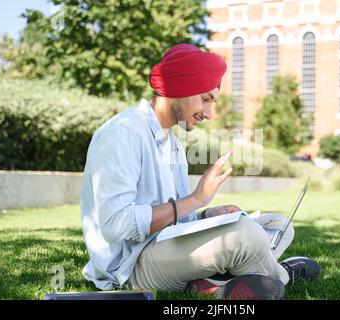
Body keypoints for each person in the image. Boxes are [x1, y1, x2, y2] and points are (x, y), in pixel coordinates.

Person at [80, 43, 320, 300]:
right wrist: (195, 199)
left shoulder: (172, 144)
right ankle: (279, 275)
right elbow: (116, 226)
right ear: (178, 89)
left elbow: (176, 220)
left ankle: (215, 282)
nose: (208, 113)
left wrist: (206, 213)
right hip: (131, 266)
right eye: (205, 99)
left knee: (278, 225)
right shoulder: (123, 133)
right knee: (246, 237)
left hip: (165, 247)